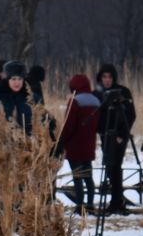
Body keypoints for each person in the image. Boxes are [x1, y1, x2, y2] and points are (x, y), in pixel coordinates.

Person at [53, 73, 102, 212]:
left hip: (74, 145)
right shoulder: (96, 100)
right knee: (88, 176)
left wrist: (61, 141)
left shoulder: (75, 101)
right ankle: (91, 204)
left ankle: (80, 205)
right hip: (89, 144)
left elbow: (69, 125)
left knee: (77, 176)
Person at [95, 63, 136, 213]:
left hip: (119, 135)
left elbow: (131, 115)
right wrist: (99, 132)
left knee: (115, 167)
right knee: (109, 166)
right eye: (104, 77)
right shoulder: (98, 94)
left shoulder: (123, 92)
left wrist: (122, 135)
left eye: (109, 77)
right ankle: (115, 199)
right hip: (105, 135)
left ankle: (117, 201)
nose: (107, 80)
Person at [0, 60, 35, 133]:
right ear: (7, 79)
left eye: (20, 79)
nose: (17, 82)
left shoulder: (34, 98)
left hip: (30, 142)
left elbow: (45, 121)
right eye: (13, 79)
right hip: (3, 142)